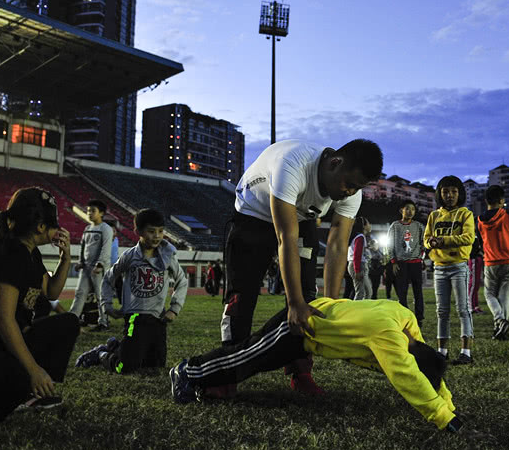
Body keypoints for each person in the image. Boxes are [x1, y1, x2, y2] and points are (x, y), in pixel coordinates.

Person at [221, 138, 383, 395]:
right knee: (242, 295)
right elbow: (285, 237)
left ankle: (300, 370)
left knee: (309, 298)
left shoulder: (352, 190)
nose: (350, 192)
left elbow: (338, 246)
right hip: (253, 213)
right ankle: (225, 372)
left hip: (299, 214)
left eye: (357, 188)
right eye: (349, 185)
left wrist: (331, 302)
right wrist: (293, 303)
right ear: (335, 163)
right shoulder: (293, 164)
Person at [169, 297, 463, 433]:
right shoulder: (389, 338)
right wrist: (444, 419)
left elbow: (429, 370)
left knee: (250, 361)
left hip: (312, 322)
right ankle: (187, 371)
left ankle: (199, 379)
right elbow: (409, 376)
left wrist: (448, 404)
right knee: (246, 357)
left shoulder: (406, 320)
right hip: (298, 326)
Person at [0, 187, 80, 422]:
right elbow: (2, 319)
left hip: (2, 345)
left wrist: (65, 260)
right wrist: (34, 369)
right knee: (22, 373)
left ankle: (27, 391)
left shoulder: (30, 254)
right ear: (41, 226)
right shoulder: (13, 255)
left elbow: (51, 290)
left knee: (68, 323)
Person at [76, 208, 188, 374]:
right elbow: (108, 278)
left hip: (158, 319)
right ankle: (102, 354)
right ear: (138, 232)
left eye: (160, 231)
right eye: (151, 231)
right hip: (135, 318)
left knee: (155, 367)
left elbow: (182, 281)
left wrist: (174, 308)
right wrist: (107, 305)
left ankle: (117, 347)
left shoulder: (167, 256)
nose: (157, 236)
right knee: (125, 367)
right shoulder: (129, 256)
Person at [424, 175, 475, 365]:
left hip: (458, 266)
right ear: (439, 193)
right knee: (442, 311)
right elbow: (426, 239)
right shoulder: (434, 215)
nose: (450, 195)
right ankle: (442, 351)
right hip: (439, 267)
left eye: (454, 191)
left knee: (463, 309)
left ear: (460, 193)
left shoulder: (465, 214)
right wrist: (430, 242)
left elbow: (468, 237)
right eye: (445, 191)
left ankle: (466, 352)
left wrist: (443, 241)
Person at [477, 185, 509, 341]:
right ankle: (501, 327)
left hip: (491, 261)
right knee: (505, 295)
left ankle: (499, 321)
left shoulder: (480, 220)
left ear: (486, 200)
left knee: (489, 294)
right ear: (502, 200)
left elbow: (480, 243)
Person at [70, 199, 114, 330]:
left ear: (101, 213)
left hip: (98, 268)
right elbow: (83, 247)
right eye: (88, 211)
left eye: (93, 211)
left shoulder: (106, 229)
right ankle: (72, 319)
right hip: (86, 267)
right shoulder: (87, 228)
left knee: (101, 296)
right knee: (80, 293)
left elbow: (106, 248)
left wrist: (100, 264)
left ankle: (104, 322)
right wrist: (80, 262)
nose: (89, 213)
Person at [387, 200, 426, 325]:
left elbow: (424, 243)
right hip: (401, 263)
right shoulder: (395, 226)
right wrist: (393, 262)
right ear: (401, 210)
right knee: (402, 292)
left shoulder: (419, 226)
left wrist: (422, 258)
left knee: (418, 291)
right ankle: (404, 317)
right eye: (407, 209)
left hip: (415, 262)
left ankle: (419, 318)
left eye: (413, 209)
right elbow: (390, 244)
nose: (410, 211)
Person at [347, 216, 373, 300]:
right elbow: (357, 255)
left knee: (367, 292)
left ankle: (363, 311)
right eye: (368, 223)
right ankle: (356, 311)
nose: (370, 225)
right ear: (364, 226)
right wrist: (357, 270)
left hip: (357, 265)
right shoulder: (360, 237)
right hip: (358, 266)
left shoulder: (360, 237)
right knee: (361, 293)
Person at [467, 236, 484, 314]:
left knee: (476, 284)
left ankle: (475, 305)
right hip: (473, 258)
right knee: (472, 284)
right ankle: (470, 306)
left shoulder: (476, 233)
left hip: (478, 258)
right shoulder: (471, 234)